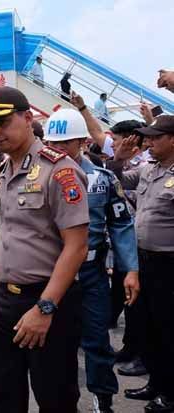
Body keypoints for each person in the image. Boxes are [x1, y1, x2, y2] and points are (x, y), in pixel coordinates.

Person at [0, 86, 89, 412]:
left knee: (55, 399)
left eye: (2, 122)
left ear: (27, 118)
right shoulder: (0, 173)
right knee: (5, 397)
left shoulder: (59, 170)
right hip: (0, 301)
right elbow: (1, 238)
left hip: (46, 300)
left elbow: (77, 247)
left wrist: (44, 309)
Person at [44, 108, 140, 413]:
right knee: (54, 345)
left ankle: (103, 399)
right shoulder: (39, 176)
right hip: (51, 274)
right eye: (53, 144)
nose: (57, 150)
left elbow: (121, 225)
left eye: (65, 144)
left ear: (82, 142)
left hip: (90, 274)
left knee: (97, 341)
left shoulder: (102, 179)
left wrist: (131, 269)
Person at [109, 116, 174, 413]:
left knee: (168, 329)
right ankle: (156, 383)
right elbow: (116, 180)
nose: (148, 142)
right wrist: (119, 159)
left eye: (155, 137)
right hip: (142, 259)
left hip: (168, 263)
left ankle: (171, 394)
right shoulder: (149, 170)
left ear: (172, 139)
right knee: (146, 325)